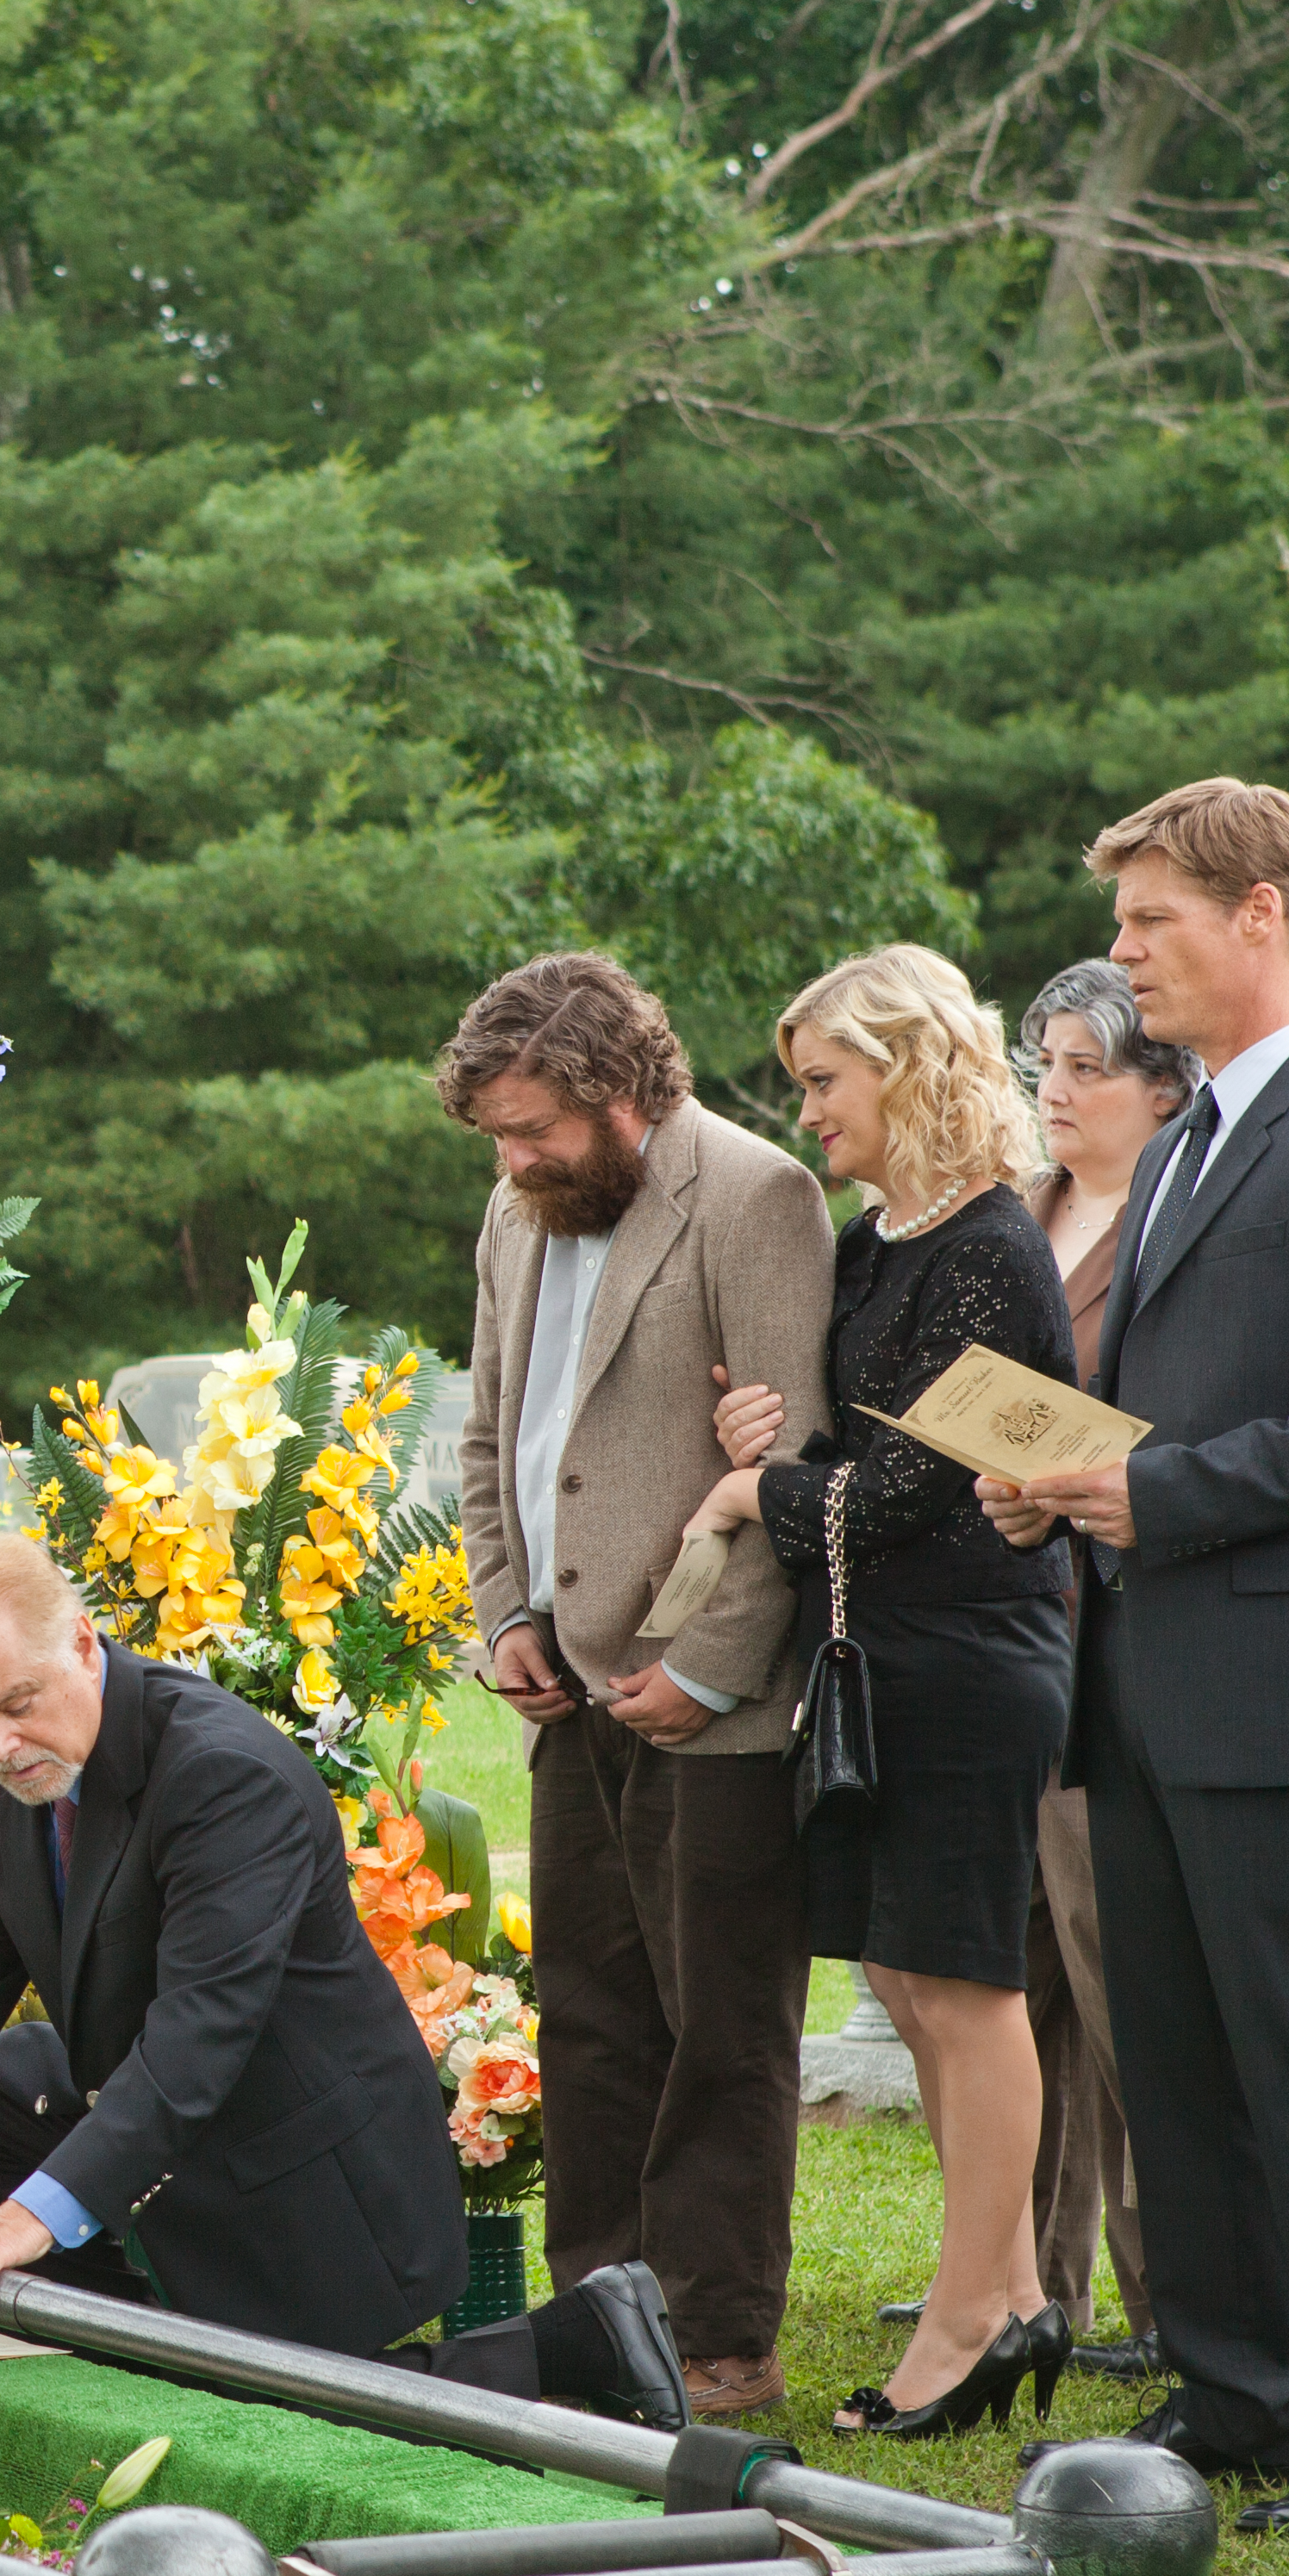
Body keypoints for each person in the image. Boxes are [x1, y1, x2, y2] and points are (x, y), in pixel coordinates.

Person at [980, 776, 1289, 2537]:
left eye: (1150, 923)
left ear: (1261, 913)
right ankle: (1237, 2391)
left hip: (1280, 1689)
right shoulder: (1183, 1141)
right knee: (1172, 2058)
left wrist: (1155, 1491)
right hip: (1142, 1678)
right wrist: (1065, 1489)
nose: (1124, 957)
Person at [0, 1532, 689, 2424]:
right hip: (176, 2133)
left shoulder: (225, 1777)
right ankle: (117, 2333)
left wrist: (28, 2216)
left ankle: (583, 2342)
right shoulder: (11, 1764)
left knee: (284, 2410)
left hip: (307, 2165)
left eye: (19, 1705)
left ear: (83, 1641)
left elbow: (200, 2038)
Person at [441, 953, 836, 2421]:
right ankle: (598, 2318)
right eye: (496, 1134)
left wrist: (713, 1662)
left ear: (618, 1095)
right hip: (568, 1679)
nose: (514, 1156)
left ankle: (719, 2336)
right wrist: (509, 1615)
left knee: (718, 2028)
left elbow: (786, 1462)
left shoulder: (753, 1195)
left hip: (712, 1692)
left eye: (535, 1124)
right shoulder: (519, 1207)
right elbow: (493, 1433)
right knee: (592, 2022)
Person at [689, 948, 1078, 2436]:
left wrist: (752, 1494)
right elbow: (855, 1427)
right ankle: (1013, 2288)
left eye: (824, 1081)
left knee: (966, 1984)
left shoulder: (989, 1244)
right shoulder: (881, 1239)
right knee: (912, 1979)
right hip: (889, 1654)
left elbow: (918, 1483)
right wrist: (767, 1423)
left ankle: (983, 2308)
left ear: (908, 1067)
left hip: (974, 1656)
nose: (808, 1112)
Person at [1015, 961, 1193, 2376]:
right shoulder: (1027, 1210)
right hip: (1001, 1637)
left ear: (1161, 1083)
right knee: (1016, 1976)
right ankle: (1032, 2277)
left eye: (1084, 1066)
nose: (1054, 1092)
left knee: (1121, 1976)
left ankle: (1167, 2292)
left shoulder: (1177, 1223)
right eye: (1044, 1064)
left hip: (1120, 1632)